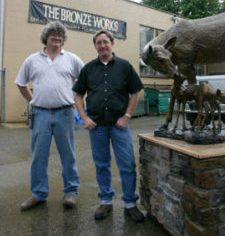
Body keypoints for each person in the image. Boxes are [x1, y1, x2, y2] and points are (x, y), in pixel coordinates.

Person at [73, 30, 145, 222]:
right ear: (95, 46)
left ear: (112, 44)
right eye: (98, 43)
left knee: (127, 164)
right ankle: (106, 201)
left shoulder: (124, 66)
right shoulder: (88, 69)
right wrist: (84, 117)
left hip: (119, 125)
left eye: (105, 42)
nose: (102, 45)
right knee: (102, 164)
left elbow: (135, 92)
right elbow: (78, 95)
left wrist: (127, 116)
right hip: (96, 126)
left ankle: (130, 202)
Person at [15, 21, 84, 211]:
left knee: (68, 154)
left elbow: (85, 81)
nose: (57, 37)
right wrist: (32, 100)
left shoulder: (72, 59)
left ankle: (71, 191)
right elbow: (21, 83)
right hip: (40, 114)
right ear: (46, 37)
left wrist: (78, 102)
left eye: (61, 34)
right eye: (53, 33)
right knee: (39, 156)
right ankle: (38, 194)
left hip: (65, 113)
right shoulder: (32, 60)